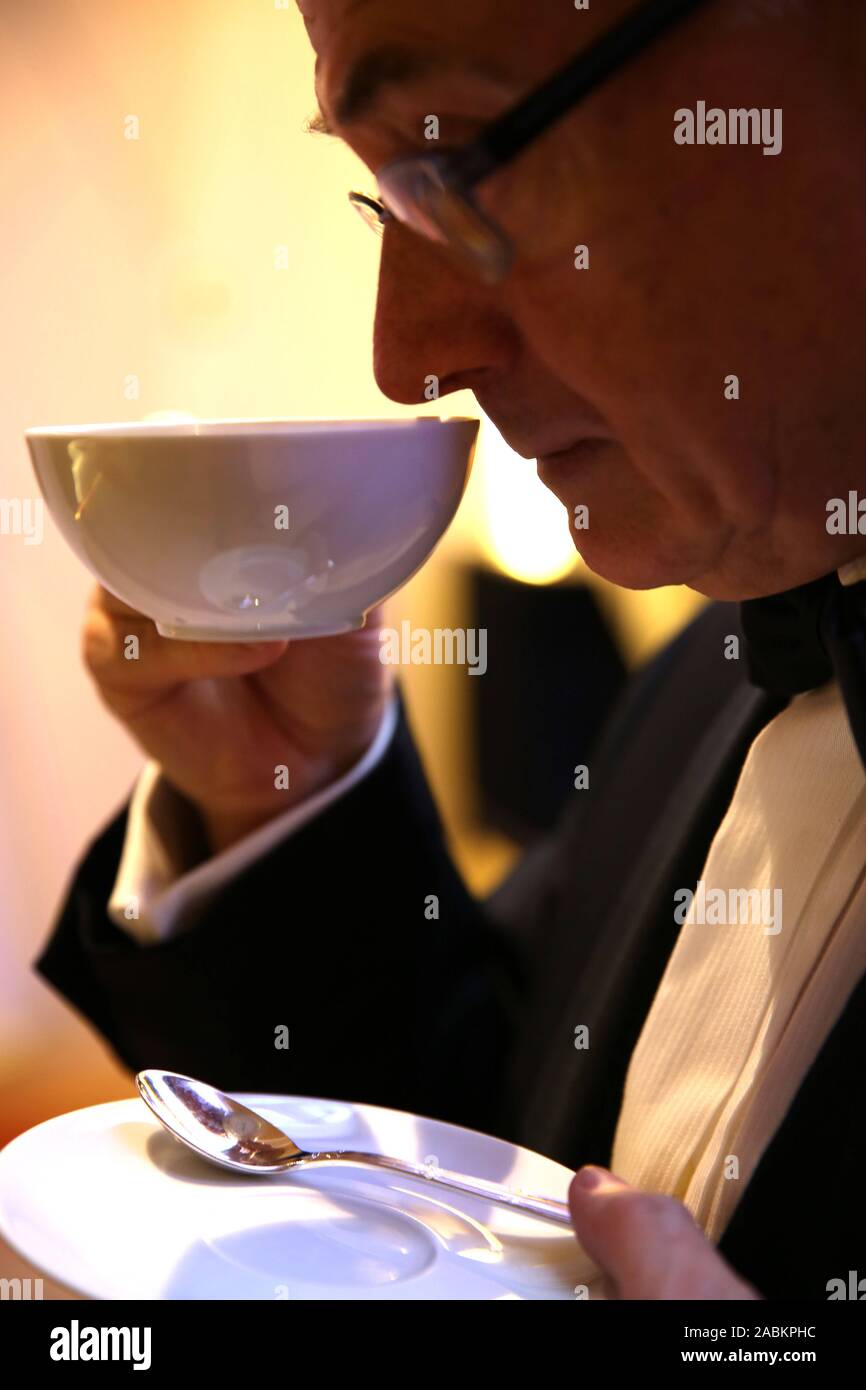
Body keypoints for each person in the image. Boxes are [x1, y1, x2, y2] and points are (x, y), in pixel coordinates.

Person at [36, 0, 866, 1299]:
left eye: (459, 162)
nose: (405, 358)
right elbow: (482, 1167)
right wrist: (284, 793)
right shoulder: (707, 681)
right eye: (388, 200)